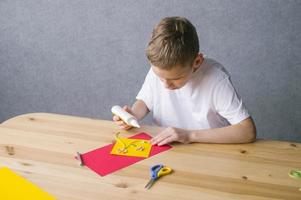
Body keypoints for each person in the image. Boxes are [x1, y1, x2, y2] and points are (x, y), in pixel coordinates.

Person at [113, 16, 256, 146]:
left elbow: (247, 131)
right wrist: (133, 115)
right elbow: (145, 102)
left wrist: (189, 135)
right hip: (165, 147)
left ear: (197, 61)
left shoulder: (216, 79)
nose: (165, 85)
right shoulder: (160, 70)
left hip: (209, 151)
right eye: (160, 77)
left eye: (176, 78)